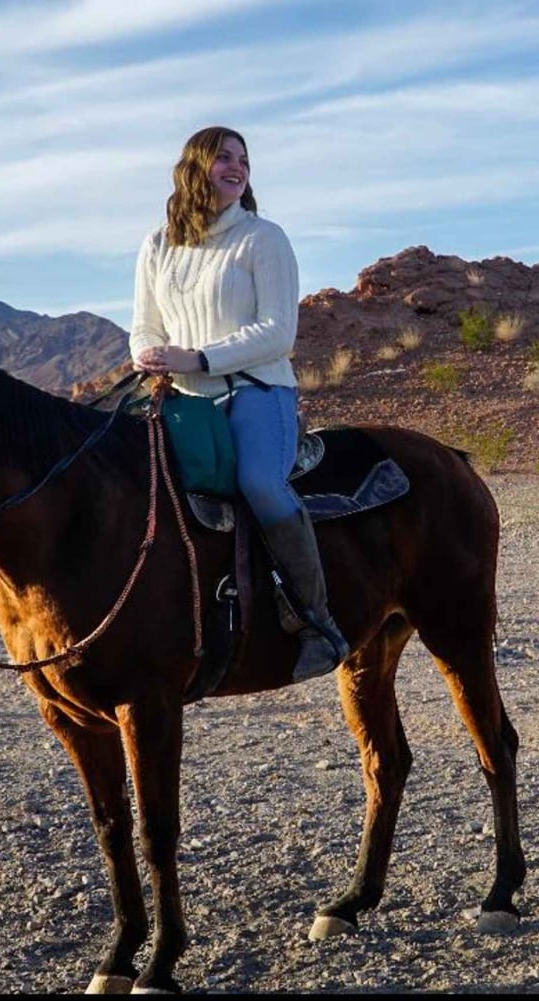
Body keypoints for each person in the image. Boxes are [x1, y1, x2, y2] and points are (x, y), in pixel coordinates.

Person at [129, 125, 348, 682]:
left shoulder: (263, 238)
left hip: (257, 389)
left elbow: (279, 332)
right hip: (183, 397)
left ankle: (315, 620)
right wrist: (149, 356)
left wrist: (198, 357)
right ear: (195, 167)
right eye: (224, 157)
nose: (237, 167)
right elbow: (143, 325)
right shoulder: (158, 245)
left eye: (244, 160)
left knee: (257, 483)